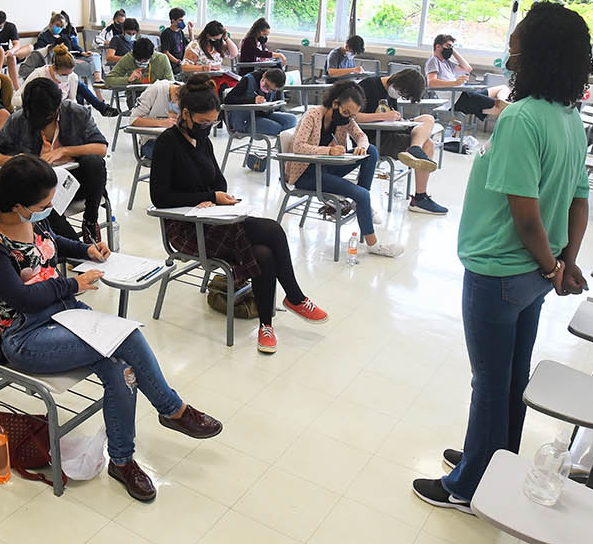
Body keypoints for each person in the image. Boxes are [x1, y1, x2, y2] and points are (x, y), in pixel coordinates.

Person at [413, 2, 593, 513]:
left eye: (514, 47)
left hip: (502, 270)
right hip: (535, 273)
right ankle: (492, 456)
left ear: (534, 55)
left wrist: (550, 265)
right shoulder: (568, 117)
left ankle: (468, 486)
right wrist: (565, 262)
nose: (508, 54)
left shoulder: (520, 118)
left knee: (490, 380)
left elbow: (526, 215)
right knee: (514, 373)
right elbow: (580, 199)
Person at [0, 156, 222, 502]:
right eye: (42, 206)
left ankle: (122, 461)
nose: (47, 211)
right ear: (17, 205)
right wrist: (74, 284)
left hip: (62, 314)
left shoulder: (30, 218)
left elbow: (55, 241)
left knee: (121, 369)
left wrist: (85, 249)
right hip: (23, 334)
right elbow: (20, 298)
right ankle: (172, 410)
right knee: (127, 337)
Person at [149, 76, 329, 354]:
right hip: (185, 227)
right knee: (271, 231)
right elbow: (160, 199)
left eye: (213, 123)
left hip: (214, 219)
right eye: (203, 122)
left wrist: (219, 198)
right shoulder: (167, 144)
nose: (207, 128)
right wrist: (206, 198)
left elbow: (218, 183)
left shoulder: (203, 142)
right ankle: (293, 298)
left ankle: (267, 325)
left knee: (264, 252)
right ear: (185, 114)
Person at [286, 81, 404, 257]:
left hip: (326, 168)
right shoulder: (312, 115)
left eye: (352, 115)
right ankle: (373, 245)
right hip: (306, 174)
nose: (348, 117)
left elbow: (361, 136)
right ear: (335, 104)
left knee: (371, 151)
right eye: (346, 112)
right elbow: (298, 147)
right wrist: (328, 150)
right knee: (363, 195)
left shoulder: (345, 119)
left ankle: (360, 203)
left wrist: (361, 147)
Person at [0, 77, 108, 242]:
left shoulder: (76, 112)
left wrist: (64, 151)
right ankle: (78, 249)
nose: (40, 121)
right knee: (42, 206)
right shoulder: (19, 119)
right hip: (39, 189)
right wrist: (16, 160)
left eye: (46, 116)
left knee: (94, 162)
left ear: (58, 106)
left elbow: (101, 148)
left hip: (75, 183)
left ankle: (90, 221)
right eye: (34, 116)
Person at [351, 67, 449, 216]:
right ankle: (420, 198)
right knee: (428, 144)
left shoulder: (393, 92)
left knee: (428, 119)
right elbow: (352, 116)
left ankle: (415, 148)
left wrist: (397, 119)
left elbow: (389, 117)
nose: (399, 96)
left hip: (389, 131)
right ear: (397, 81)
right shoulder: (368, 86)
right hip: (372, 138)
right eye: (402, 93)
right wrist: (383, 117)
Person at [223, 64, 298, 154]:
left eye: (272, 90)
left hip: (261, 115)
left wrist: (269, 107)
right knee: (277, 128)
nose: (268, 90)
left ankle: (283, 150)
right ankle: (283, 153)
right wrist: (252, 100)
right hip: (244, 119)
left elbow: (273, 105)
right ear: (264, 75)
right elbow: (228, 100)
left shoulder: (274, 85)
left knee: (292, 120)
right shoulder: (248, 80)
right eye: (266, 86)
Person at [425, 33, 501, 120]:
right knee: (498, 105)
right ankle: (496, 108)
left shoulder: (447, 62)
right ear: (438, 47)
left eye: (452, 47)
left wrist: (453, 51)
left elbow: (467, 68)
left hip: (463, 94)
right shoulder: (433, 60)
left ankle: (485, 108)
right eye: (448, 46)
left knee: (501, 89)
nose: (450, 49)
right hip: (456, 100)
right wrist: (456, 82)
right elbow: (431, 82)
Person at [130, 79, 181, 159]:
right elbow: (133, 120)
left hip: (175, 139)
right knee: (177, 157)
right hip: (152, 141)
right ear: (176, 94)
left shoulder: (186, 91)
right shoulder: (155, 90)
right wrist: (162, 122)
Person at [105, 36, 173, 89]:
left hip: (157, 94)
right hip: (135, 94)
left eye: (145, 61)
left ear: (151, 55)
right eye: (139, 60)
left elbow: (171, 83)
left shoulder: (162, 59)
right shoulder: (128, 58)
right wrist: (128, 79)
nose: (142, 63)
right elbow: (108, 80)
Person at [182, 20, 238, 84]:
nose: (217, 41)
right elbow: (185, 67)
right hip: (201, 79)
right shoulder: (195, 46)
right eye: (215, 39)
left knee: (233, 84)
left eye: (219, 39)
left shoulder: (218, 44)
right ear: (208, 36)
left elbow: (234, 54)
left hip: (216, 77)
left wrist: (226, 38)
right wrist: (204, 68)